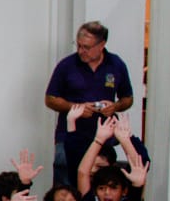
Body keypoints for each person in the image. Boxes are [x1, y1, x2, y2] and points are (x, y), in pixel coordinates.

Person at [45, 21, 134, 186]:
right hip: (69, 136)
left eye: (86, 47)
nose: (81, 51)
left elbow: (128, 98)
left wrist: (115, 107)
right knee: (66, 185)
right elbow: (50, 99)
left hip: (104, 138)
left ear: (102, 45)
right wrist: (76, 107)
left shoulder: (116, 64)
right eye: (78, 45)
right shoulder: (66, 65)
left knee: (100, 185)